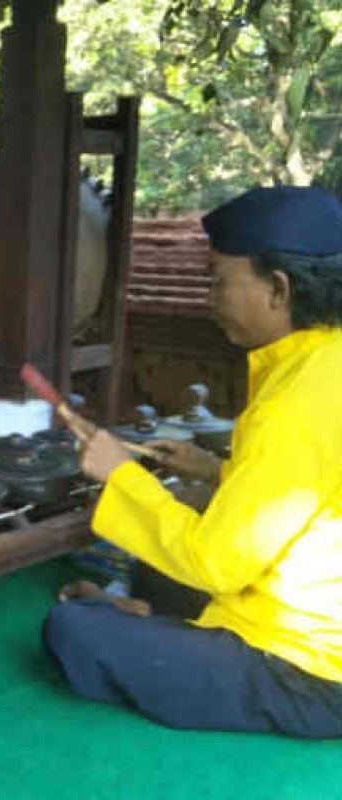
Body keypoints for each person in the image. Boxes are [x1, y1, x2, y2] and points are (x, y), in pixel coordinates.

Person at [44, 186, 342, 738]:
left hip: (310, 673)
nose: (211, 296)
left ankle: (149, 630)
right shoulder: (326, 362)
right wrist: (210, 470)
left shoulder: (298, 400)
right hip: (304, 615)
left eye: (219, 279)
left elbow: (216, 564)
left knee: (73, 629)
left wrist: (119, 474)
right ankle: (157, 624)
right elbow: (312, 490)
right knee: (157, 566)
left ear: (278, 289)